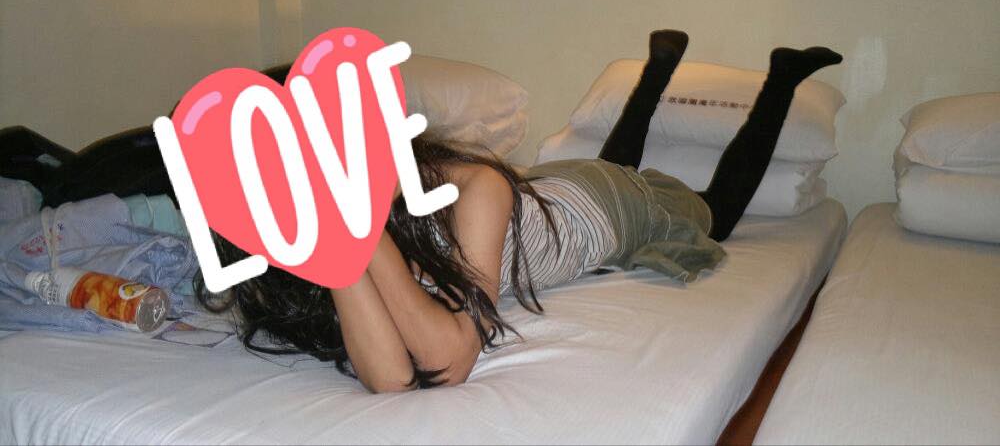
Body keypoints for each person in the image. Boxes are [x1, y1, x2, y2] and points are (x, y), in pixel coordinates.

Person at [209, 29, 843, 393]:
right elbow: (393, 381)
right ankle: (657, 71)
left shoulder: (474, 189)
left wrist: (362, 231)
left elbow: (449, 362)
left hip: (605, 208)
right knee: (613, 165)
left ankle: (779, 81)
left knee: (712, 213)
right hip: (547, 192)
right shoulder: (338, 218)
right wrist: (344, 246)